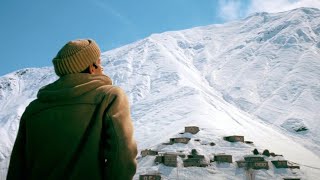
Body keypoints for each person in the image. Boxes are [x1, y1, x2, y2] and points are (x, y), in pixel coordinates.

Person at [7, 39, 138, 180]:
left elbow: (17, 166)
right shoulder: (109, 96)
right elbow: (122, 154)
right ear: (91, 67)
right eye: (99, 62)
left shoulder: (33, 110)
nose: (102, 67)